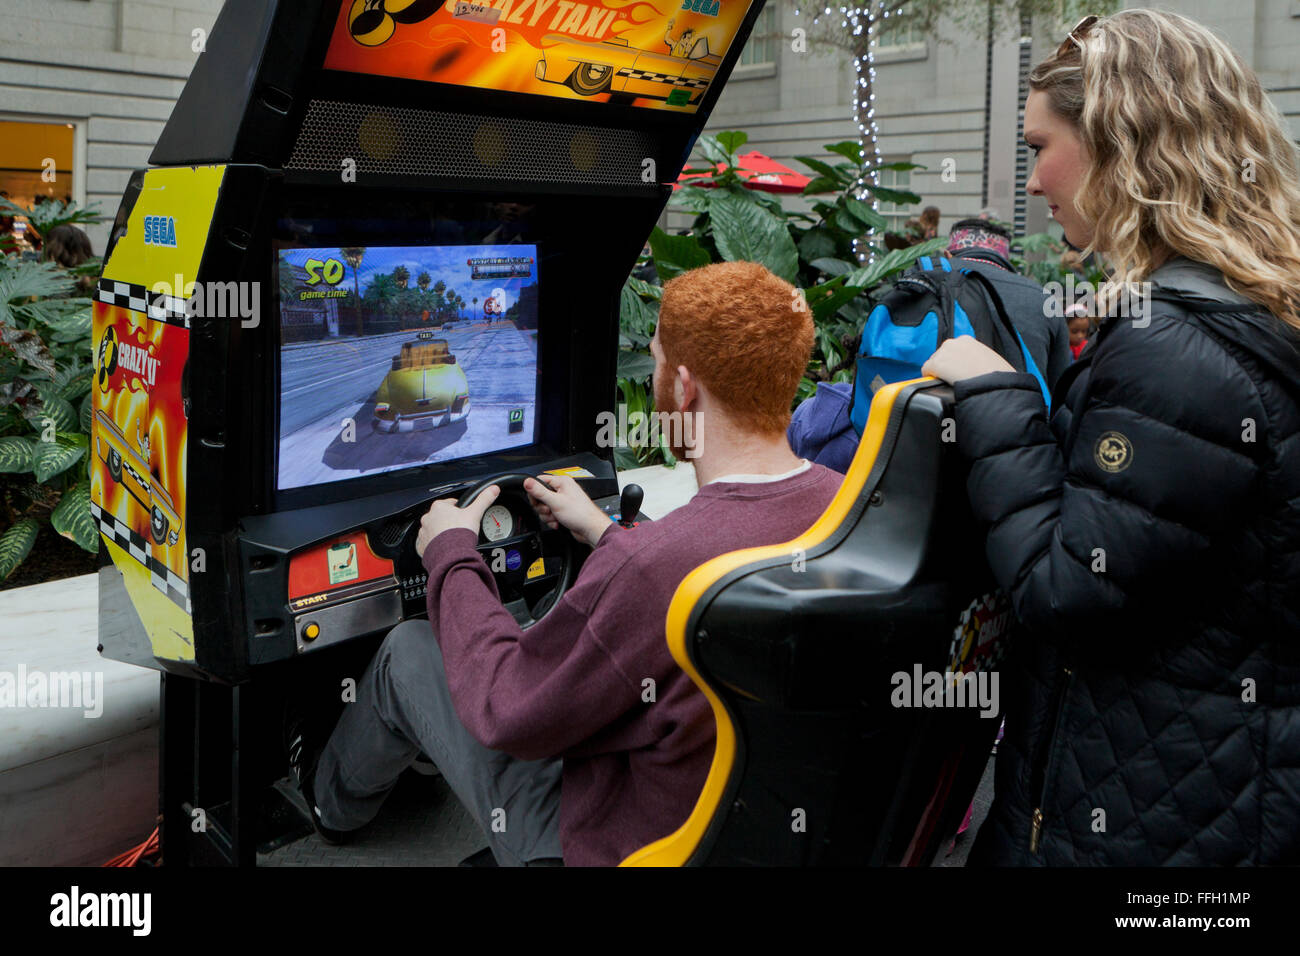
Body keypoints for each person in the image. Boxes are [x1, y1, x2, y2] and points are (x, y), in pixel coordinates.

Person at [289, 261, 844, 865]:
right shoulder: (846, 507)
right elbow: (695, 562)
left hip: (613, 840)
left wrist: (450, 551)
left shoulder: (652, 569)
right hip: (748, 828)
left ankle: (329, 811)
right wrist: (609, 535)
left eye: (655, 361)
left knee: (409, 649)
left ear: (684, 388)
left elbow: (508, 709)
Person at [922, 10, 1300, 865]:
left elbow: (1068, 592)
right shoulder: (1249, 307)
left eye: (1039, 147)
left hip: (1149, 816)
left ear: (1123, 146)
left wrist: (994, 396)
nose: (1032, 182)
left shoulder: (1177, 349)